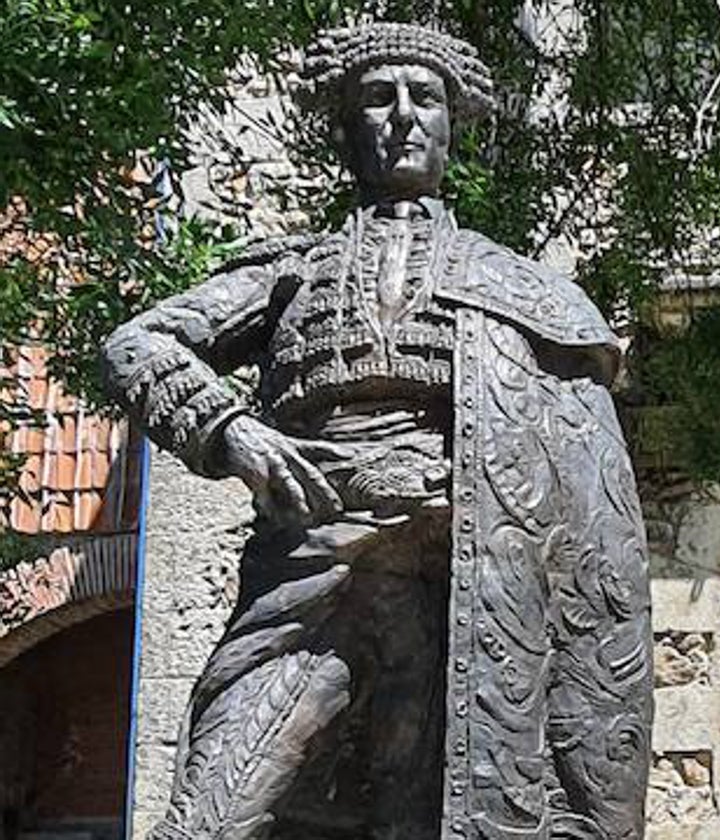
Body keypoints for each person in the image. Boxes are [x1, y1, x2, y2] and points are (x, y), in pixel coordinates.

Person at [103, 22, 651, 840]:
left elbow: (583, 497)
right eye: (377, 98)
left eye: (423, 98)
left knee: (420, 817)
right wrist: (232, 432)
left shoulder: (523, 290)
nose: (401, 116)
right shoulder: (294, 270)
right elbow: (136, 343)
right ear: (345, 126)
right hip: (310, 577)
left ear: (450, 124)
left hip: (460, 596)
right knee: (213, 815)